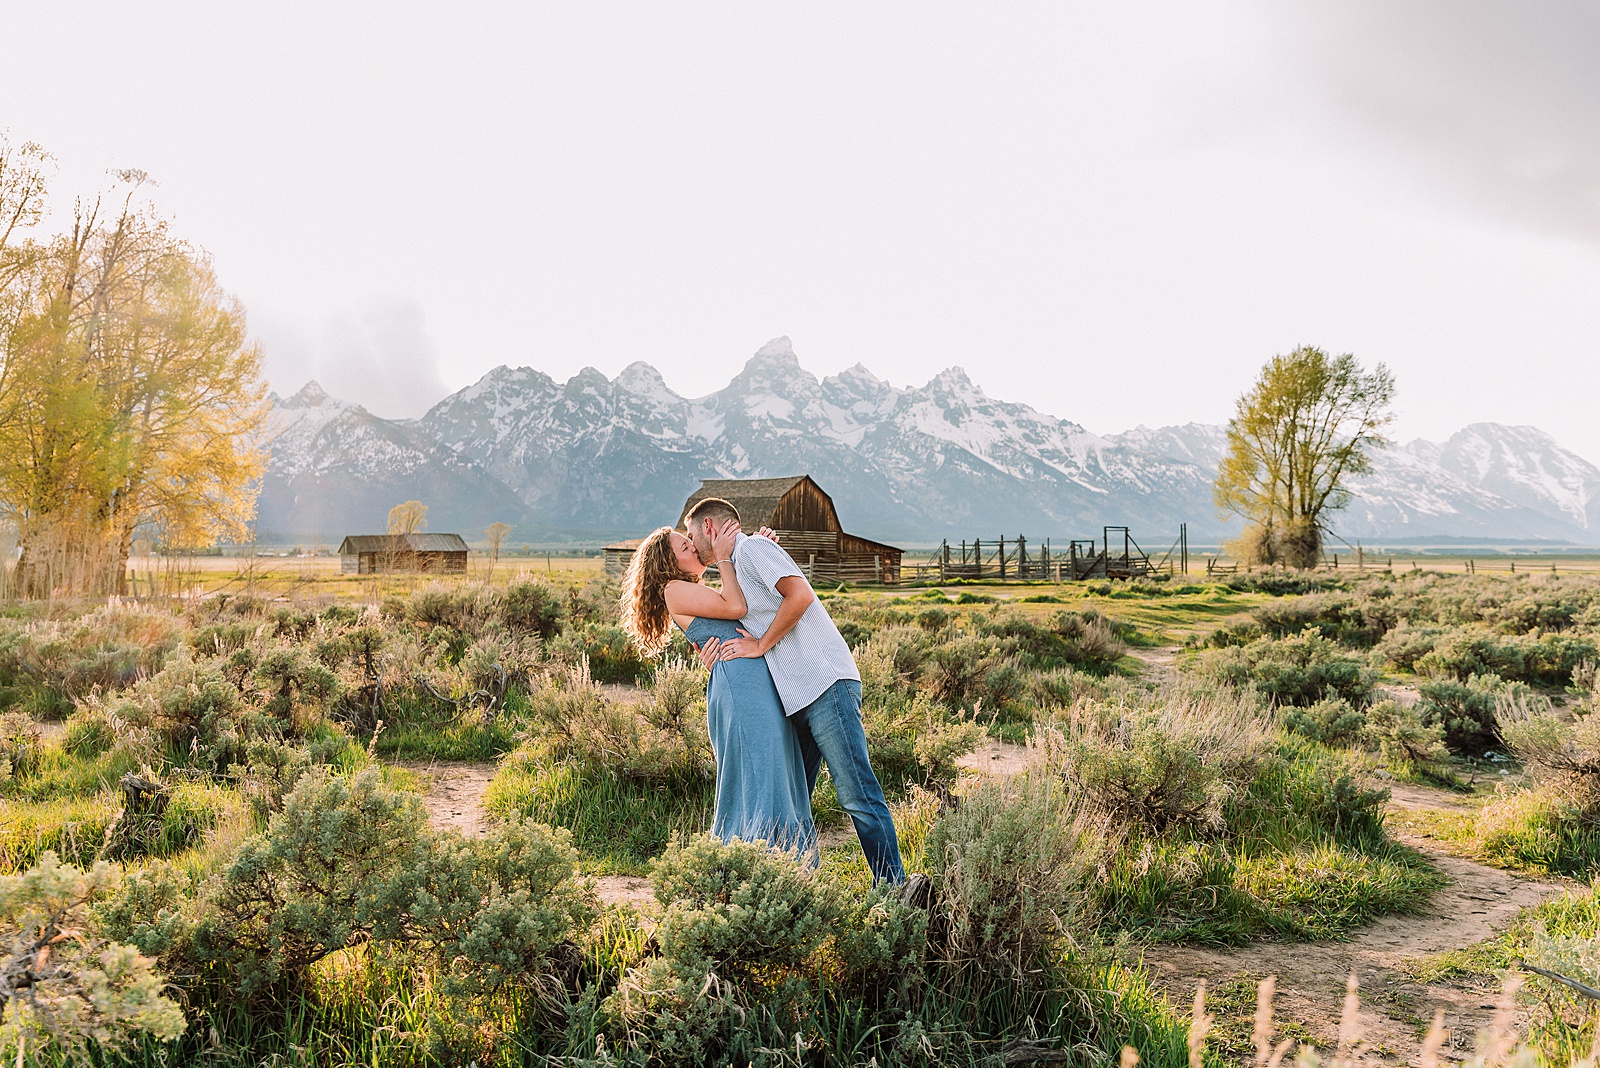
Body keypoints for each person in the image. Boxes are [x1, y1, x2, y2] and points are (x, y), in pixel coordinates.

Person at [683, 497, 907, 885]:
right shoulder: (737, 567)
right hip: (793, 698)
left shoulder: (753, 549)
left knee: (856, 794)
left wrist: (761, 644)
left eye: (690, 534)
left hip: (824, 685)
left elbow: (800, 596)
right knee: (792, 799)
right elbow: (733, 623)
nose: (690, 542)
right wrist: (712, 654)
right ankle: (790, 889)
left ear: (708, 527)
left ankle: (894, 888)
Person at [619, 519, 816, 858]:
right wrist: (724, 556)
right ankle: (755, 859)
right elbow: (736, 607)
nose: (694, 548)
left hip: (752, 679)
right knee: (760, 768)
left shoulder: (688, 589)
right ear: (668, 564)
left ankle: (780, 859)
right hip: (742, 686)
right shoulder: (673, 589)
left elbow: (745, 603)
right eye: (685, 548)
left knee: (772, 765)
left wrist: (758, 548)